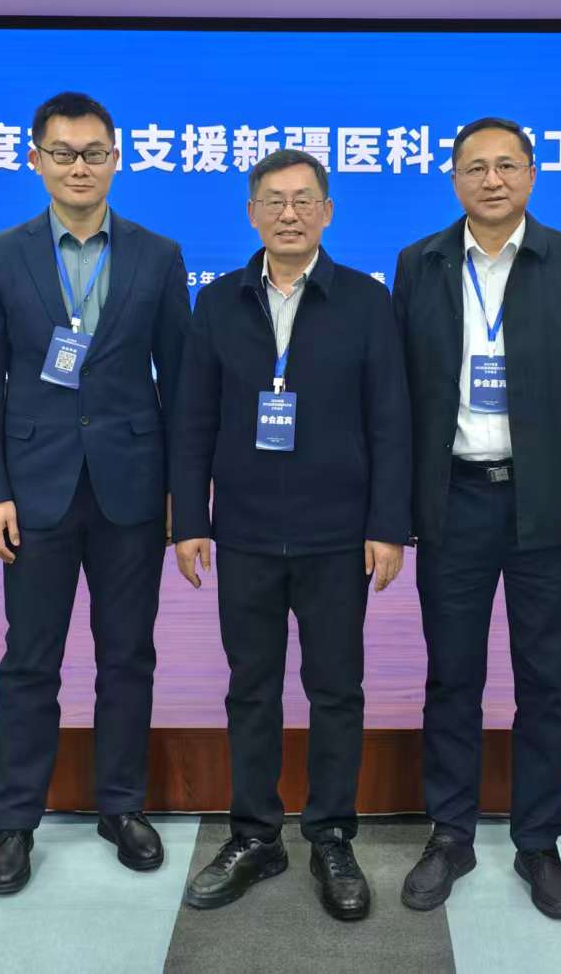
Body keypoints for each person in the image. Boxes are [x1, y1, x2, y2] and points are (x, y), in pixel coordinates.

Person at [0, 91, 191, 896]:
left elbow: (182, 385)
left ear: (117, 158)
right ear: (35, 159)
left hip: (133, 487)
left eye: (94, 152)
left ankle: (121, 806)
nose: (79, 166)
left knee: (128, 655)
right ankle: (14, 819)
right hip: (34, 489)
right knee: (30, 659)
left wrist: (183, 494)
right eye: (62, 152)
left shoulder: (159, 254)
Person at [392, 117, 561, 920]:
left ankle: (538, 841)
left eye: (507, 165)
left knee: (544, 678)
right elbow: (401, 395)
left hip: (547, 507)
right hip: (453, 500)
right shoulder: (419, 263)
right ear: (454, 178)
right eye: (475, 167)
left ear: (531, 173)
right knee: (451, 676)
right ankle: (450, 833)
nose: (491, 180)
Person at [170, 148, 410, 920]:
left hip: (338, 534)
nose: (289, 213)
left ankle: (332, 834)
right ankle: (255, 834)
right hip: (243, 532)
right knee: (251, 687)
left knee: (336, 689)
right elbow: (192, 419)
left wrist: (388, 525)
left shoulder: (366, 300)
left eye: (305, 200)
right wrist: (190, 520)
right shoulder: (219, 302)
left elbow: (391, 420)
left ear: (328, 211)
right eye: (273, 200)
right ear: (251, 213)